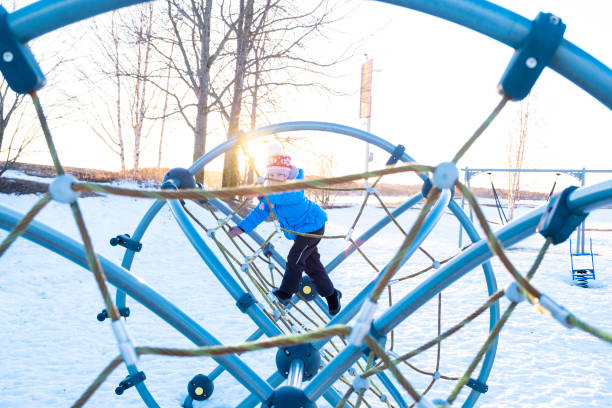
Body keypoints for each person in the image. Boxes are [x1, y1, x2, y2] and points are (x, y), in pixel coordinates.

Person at [228, 144, 341, 316]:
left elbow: (291, 197)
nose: (276, 178)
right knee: (313, 267)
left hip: (313, 227)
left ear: (287, 175)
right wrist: (242, 227)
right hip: (300, 232)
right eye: (272, 175)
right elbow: (258, 213)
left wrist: (264, 193)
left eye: (280, 174)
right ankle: (332, 295)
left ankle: (286, 293)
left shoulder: (294, 186)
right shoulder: (269, 194)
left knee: (295, 258)